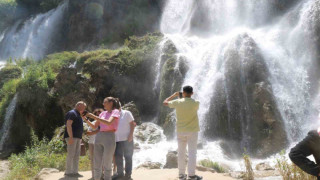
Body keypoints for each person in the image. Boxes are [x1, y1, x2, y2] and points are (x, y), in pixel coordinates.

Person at [163, 86, 202, 180]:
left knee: (181, 153)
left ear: (183, 92)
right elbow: (187, 102)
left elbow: (165, 102)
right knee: (192, 153)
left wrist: (174, 95)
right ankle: (192, 175)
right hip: (192, 131)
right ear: (192, 93)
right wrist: (183, 96)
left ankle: (181, 175)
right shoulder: (196, 103)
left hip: (180, 131)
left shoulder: (177, 102)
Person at [85, 97, 121, 180]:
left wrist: (93, 116)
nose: (103, 104)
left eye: (105, 102)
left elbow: (108, 122)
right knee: (97, 161)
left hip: (109, 136)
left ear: (111, 103)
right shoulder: (102, 113)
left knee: (107, 162)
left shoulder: (115, 111)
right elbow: (94, 126)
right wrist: (86, 119)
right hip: (99, 136)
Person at [112, 101, 136, 180]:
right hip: (116, 140)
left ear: (119, 107)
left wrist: (131, 135)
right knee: (118, 157)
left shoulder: (127, 113)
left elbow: (132, 124)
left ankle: (128, 174)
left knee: (128, 157)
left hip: (127, 139)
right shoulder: (112, 114)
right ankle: (120, 174)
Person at [64, 101, 87, 177]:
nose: (84, 108)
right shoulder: (72, 113)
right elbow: (68, 125)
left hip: (77, 137)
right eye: (84, 107)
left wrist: (81, 138)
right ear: (79, 105)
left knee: (76, 155)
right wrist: (70, 137)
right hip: (72, 137)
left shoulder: (78, 114)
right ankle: (68, 172)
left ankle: (75, 172)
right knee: (71, 154)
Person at [84, 108, 104, 180]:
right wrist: (96, 132)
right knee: (93, 159)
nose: (98, 115)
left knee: (102, 159)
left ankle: (102, 175)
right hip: (92, 143)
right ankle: (94, 176)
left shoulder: (105, 122)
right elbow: (88, 133)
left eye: (100, 113)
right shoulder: (93, 123)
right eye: (96, 114)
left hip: (101, 143)